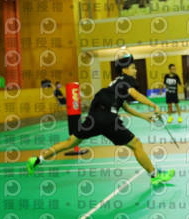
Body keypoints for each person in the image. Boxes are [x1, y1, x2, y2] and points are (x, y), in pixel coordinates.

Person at [26, 55, 175, 186]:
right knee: (136, 145)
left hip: (94, 116)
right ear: (124, 70)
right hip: (108, 118)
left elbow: (126, 107)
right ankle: (154, 175)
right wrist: (153, 105)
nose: (135, 71)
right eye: (133, 68)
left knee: (70, 142)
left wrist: (144, 117)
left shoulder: (114, 84)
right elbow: (136, 95)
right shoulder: (127, 80)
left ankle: (37, 159)